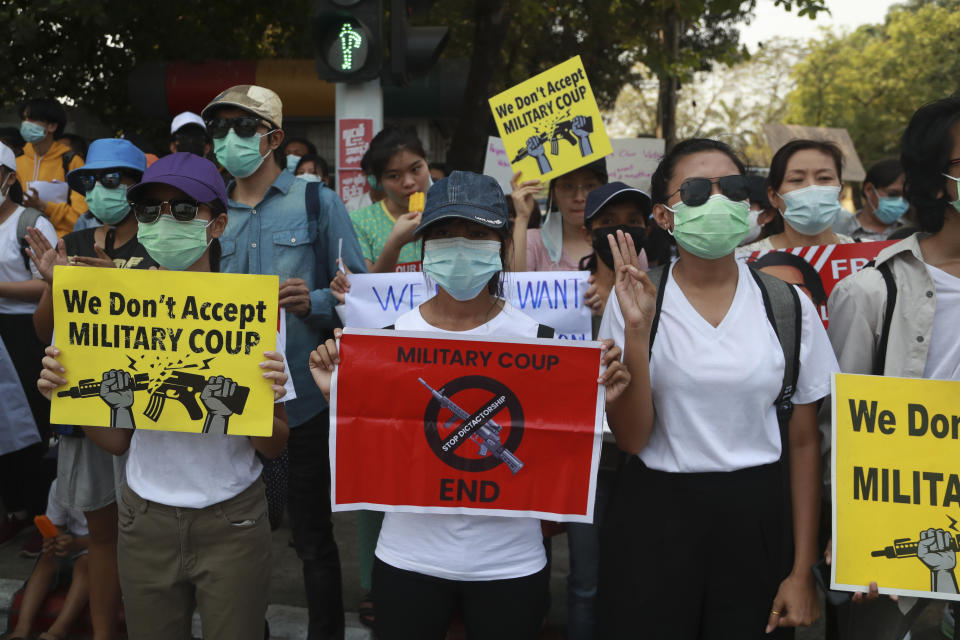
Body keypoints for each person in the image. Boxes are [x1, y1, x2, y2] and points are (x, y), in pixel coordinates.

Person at [309, 171, 630, 640]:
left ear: (501, 244)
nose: (460, 245)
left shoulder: (545, 346)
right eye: (443, 234)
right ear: (423, 247)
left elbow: (563, 452)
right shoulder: (385, 347)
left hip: (512, 564)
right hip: (406, 560)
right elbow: (376, 447)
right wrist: (336, 397)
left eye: (477, 234)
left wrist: (604, 401)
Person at [37, 152, 292, 640]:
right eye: (150, 211)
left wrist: (241, 409)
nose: (162, 222)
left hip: (232, 518)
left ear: (216, 225)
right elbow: (116, 441)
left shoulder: (251, 312)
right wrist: (66, 395)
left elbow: (276, 443)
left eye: (182, 210)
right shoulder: (117, 313)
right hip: (143, 516)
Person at [597, 138, 838, 638]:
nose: (719, 199)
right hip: (655, 522)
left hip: (757, 524)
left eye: (731, 187)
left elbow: (803, 441)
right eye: (697, 190)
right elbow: (634, 440)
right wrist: (637, 332)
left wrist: (800, 570)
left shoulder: (787, 305)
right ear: (664, 216)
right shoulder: (632, 302)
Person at [201, 84, 367, 640]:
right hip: (222, 401)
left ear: (272, 137)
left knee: (313, 537)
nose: (228, 139)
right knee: (235, 533)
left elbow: (361, 296)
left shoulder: (318, 202)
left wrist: (316, 300)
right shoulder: (205, 211)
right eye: (219, 129)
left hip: (301, 405)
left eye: (242, 128)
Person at [822, 96, 960, 639]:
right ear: (934, 181)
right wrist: (850, 528)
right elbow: (838, 427)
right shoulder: (870, 292)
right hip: (897, 527)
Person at [23, 137, 152, 640]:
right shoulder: (73, 243)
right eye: (91, 180)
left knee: (146, 536)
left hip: (151, 411)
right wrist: (57, 284)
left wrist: (120, 284)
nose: (102, 189)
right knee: (102, 537)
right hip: (89, 411)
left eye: (115, 179)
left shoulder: (166, 242)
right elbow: (43, 331)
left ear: (142, 187)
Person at [0, 141, 58, 551]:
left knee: (32, 426)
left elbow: (50, 281)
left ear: (7, 179)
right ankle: (15, 511)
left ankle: (44, 519)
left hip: (25, 334)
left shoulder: (30, 223)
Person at [5, 480, 90, 640]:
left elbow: (110, 536)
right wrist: (55, 539)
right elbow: (56, 524)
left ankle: (57, 631)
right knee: (47, 558)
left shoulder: (111, 486)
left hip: (100, 546)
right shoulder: (60, 485)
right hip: (71, 541)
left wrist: (77, 544)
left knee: (86, 565)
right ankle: (22, 628)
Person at [740, 139, 854, 253]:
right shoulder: (743, 261)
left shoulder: (868, 255)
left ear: (840, 192)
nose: (811, 188)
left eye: (825, 178)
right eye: (797, 179)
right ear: (773, 196)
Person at [349, 127, 430, 274]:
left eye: (415, 169)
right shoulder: (359, 222)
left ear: (426, 163)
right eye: (394, 176)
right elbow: (366, 288)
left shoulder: (448, 213)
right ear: (378, 181)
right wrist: (394, 244)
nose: (408, 182)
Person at [510, 161, 607, 271]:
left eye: (589, 186)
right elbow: (513, 284)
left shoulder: (618, 242)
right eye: (568, 186)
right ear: (553, 194)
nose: (579, 197)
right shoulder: (532, 242)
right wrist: (522, 217)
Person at [16, 98, 86, 237]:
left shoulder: (72, 162)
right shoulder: (16, 162)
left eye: (32, 118)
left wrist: (44, 206)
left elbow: (81, 218)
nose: (25, 123)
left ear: (52, 126)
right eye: (24, 118)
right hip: (21, 244)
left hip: (61, 246)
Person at [579, 181, 650, 316]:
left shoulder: (663, 292)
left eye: (633, 221)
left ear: (646, 232)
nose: (621, 232)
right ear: (587, 234)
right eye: (608, 221)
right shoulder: (573, 294)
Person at [833, 158, 909, 242]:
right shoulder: (838, 231)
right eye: (893, 194)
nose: (900, 201)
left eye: (905, 195)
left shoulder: (913, 233)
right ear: (869, 190)